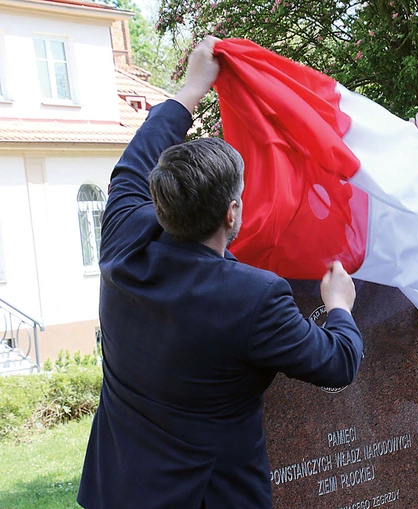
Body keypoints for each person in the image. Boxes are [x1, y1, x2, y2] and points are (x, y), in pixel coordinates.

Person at [77, 37, 364, 509]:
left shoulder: (123, 239)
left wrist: (192, 88)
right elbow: (337, 363)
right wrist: (339, 305)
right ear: (231, 214)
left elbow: (134, 163)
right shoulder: (254, 296)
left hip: (117, 492)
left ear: (159, 196)